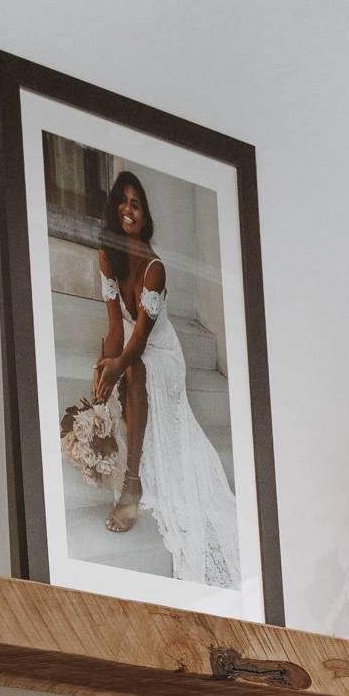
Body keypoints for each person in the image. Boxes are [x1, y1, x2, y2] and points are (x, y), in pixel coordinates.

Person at [90, 171, 238, 586]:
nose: (127, 209)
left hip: (162, 352)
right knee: (115, 369)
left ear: (145, 215)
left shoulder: (155, 269)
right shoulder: (107, 256)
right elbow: (117, 329)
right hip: (134, 346)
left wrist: (118, 363)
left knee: (132, 368)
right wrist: (103, 364)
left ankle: (132, 485)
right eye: (122, 201)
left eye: (135, 204)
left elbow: (138, 342)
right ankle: (127, 463)